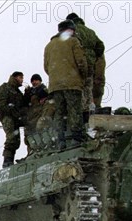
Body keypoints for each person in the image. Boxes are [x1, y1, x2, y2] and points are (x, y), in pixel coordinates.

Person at [44, 19, 88, 149]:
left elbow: (46, 67)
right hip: (72, 82)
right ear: (70, 29)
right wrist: (83, 76)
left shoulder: (49, 45)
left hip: (55, 86)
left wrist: (56, 76)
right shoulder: (73, 41)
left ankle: (61, 140)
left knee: (59, 113)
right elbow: (81, 62)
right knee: (74, 110)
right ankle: (76, 138)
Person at [66, 13, 105, 119]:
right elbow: (100, 46)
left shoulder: (72, 31)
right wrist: (93, 57)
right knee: (88, 88)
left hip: (78, 64)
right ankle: (89, 112)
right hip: (90, 65)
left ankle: (82, 113)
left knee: (79, 88)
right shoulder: (90, 31)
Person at [0, 71, 25, 167]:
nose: (22, 80)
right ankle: (7, 161)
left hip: (16, 118)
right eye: (20, 78)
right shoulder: (5, 88)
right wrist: (10, 109)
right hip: (7, 117)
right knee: (11, 138)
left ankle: (10, 160)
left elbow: (22, 104)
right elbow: (0, 102)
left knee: (16, 141)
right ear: (15, 78)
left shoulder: (18, 92)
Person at [23, 73, 49, 153]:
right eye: (33, 81)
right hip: (30, 117)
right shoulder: (30, 91)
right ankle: (31, 152)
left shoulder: (43, 89)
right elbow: (25, 102)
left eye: (36, 80)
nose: (34, 82)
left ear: (40, 81)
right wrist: (27, 93)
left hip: (38, 116)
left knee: (39, 134)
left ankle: (40, 151)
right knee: (29, 138)